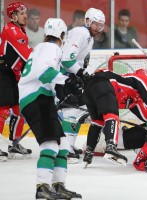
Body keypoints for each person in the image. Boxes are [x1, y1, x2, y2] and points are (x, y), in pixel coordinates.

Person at [18, 18, 82, 199]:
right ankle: (42, 187)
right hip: (36, 98)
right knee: (51, 144)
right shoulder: (51, 48)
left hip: (39, 97)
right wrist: (67, 80)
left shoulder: (40, 48)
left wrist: (64, 84)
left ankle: (58, 185)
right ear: (62, 35)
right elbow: (44, 72)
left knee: (63, 145)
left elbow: (47, 74)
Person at [82, 68, 147, 167]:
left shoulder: (130, 89)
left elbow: (144, 115)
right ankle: (111, 147)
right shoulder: (142, 79)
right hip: (103, 81)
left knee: (97, 121)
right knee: (112, 116)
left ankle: (89, 153)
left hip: (89, 87)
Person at [58, 7, 106, 164]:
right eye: (96, 24)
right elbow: (66, 60)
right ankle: (66, 149)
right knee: (72, 111)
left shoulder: (88, 36)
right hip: (63, 76)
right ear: (87, 21)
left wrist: (81, 73)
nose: (98, 28)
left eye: (101, 25)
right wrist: (81, 73)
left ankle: (69, 146)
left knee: (80, 110)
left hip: (70, 76)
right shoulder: (82, 33)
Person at [0, 2, 33, 161]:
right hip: (2, 72)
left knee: (20, 109)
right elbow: (27, 56)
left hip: (12, 73)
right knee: (3, 110)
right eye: (21, 13)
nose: (25, 16)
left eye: (25, 13)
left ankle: (14, 143)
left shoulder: (19, 28)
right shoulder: (12, 30)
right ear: (13, 16)